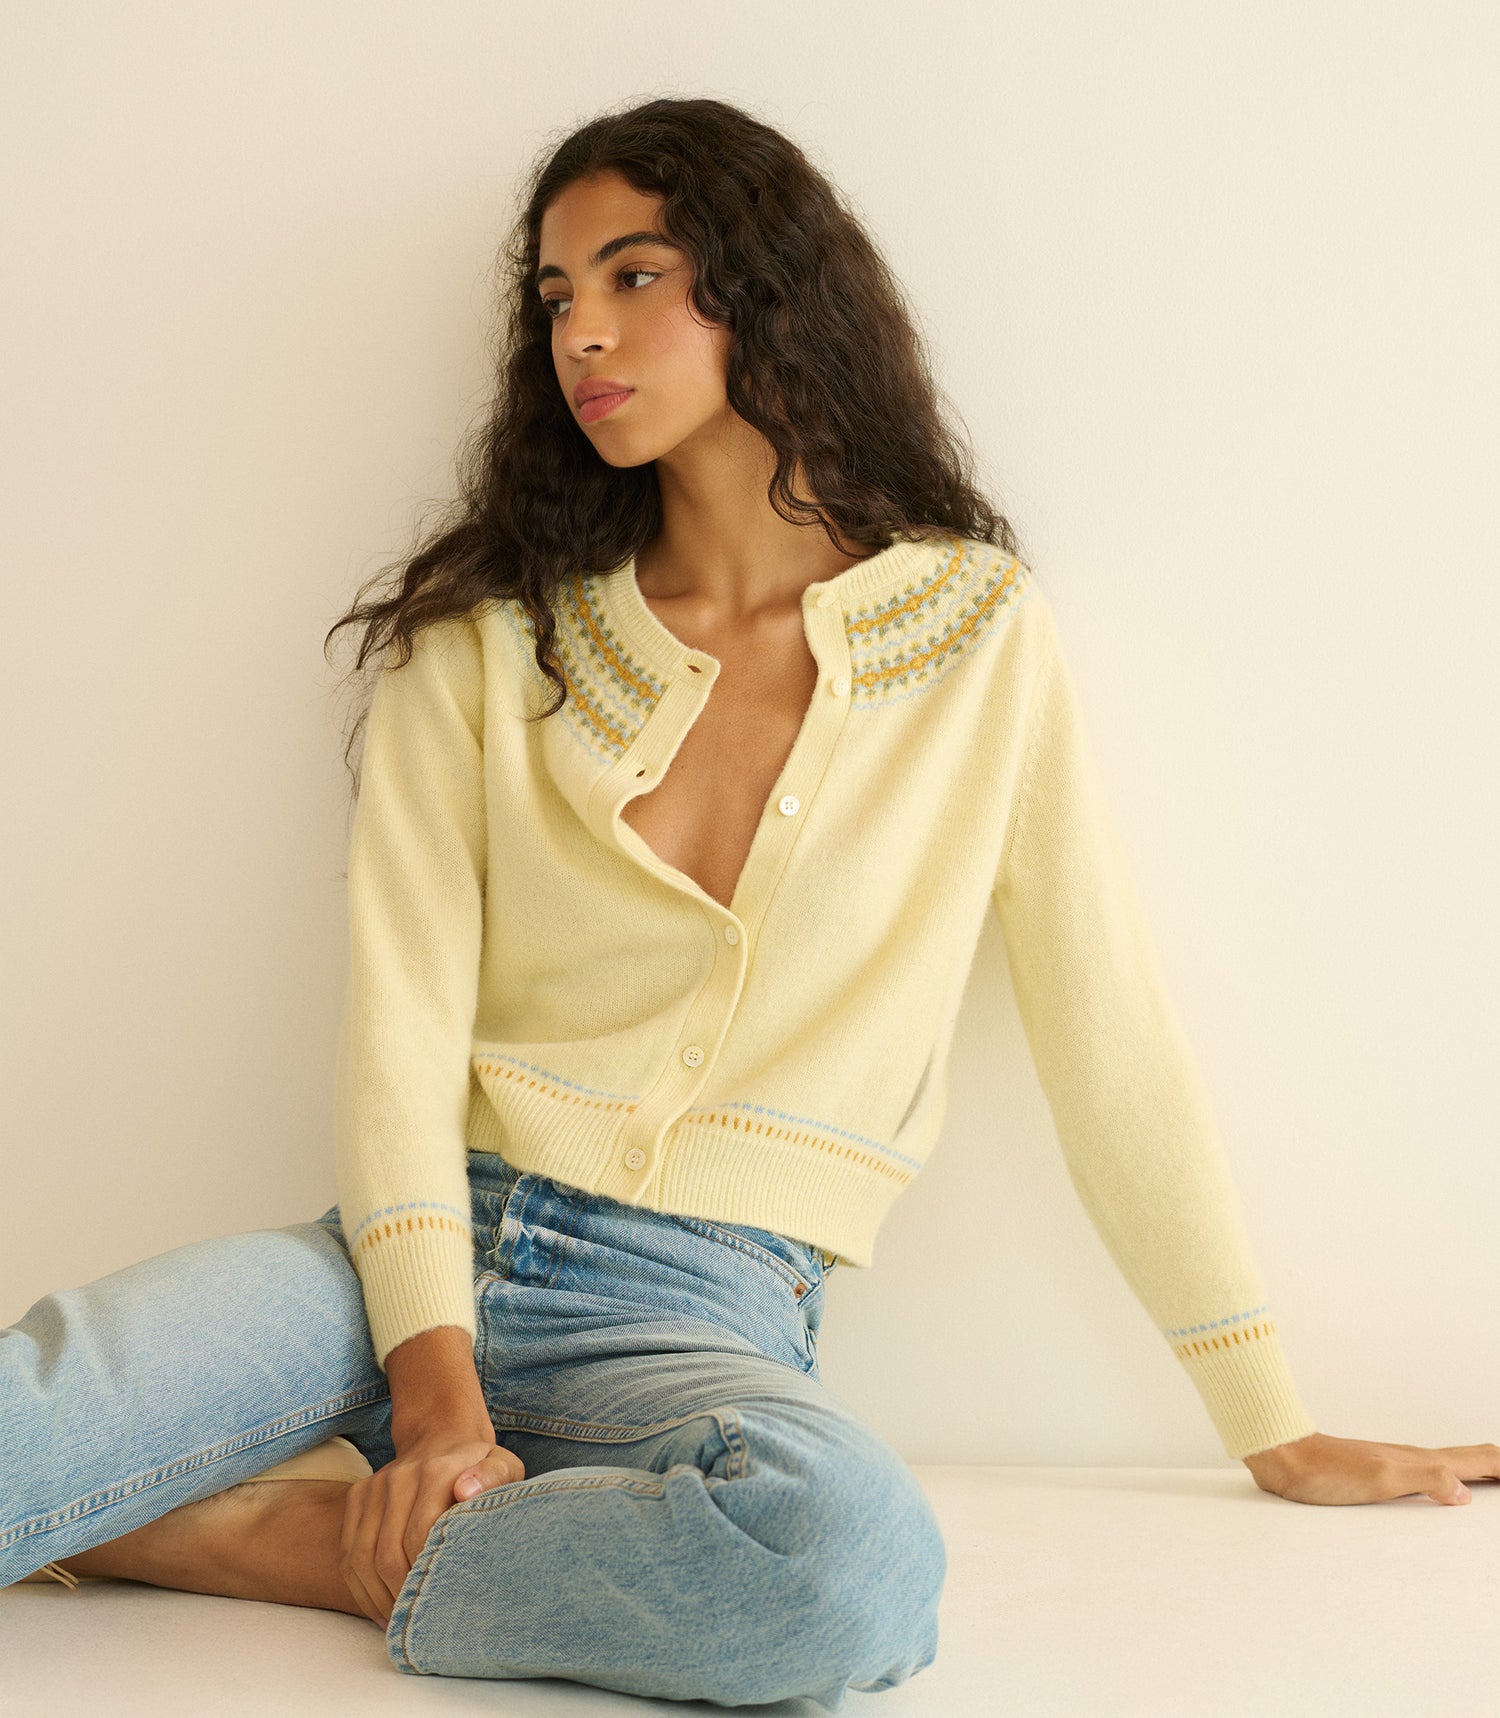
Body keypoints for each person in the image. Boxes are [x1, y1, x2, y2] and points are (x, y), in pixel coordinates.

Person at [4, 94, 1493, 1709]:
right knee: (35, 1408)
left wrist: (1267, 1416)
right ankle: (292, 1506)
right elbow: (401, 1037)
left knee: (844, 1565)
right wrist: (437, 1395)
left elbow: (1105, 1029)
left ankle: (250, 1545)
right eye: (556, 296)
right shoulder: (492, 646)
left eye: (632, 275)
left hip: (707, 1308)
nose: (584, 331)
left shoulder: (977, 638)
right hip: (398, 1268)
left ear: (764, 288)